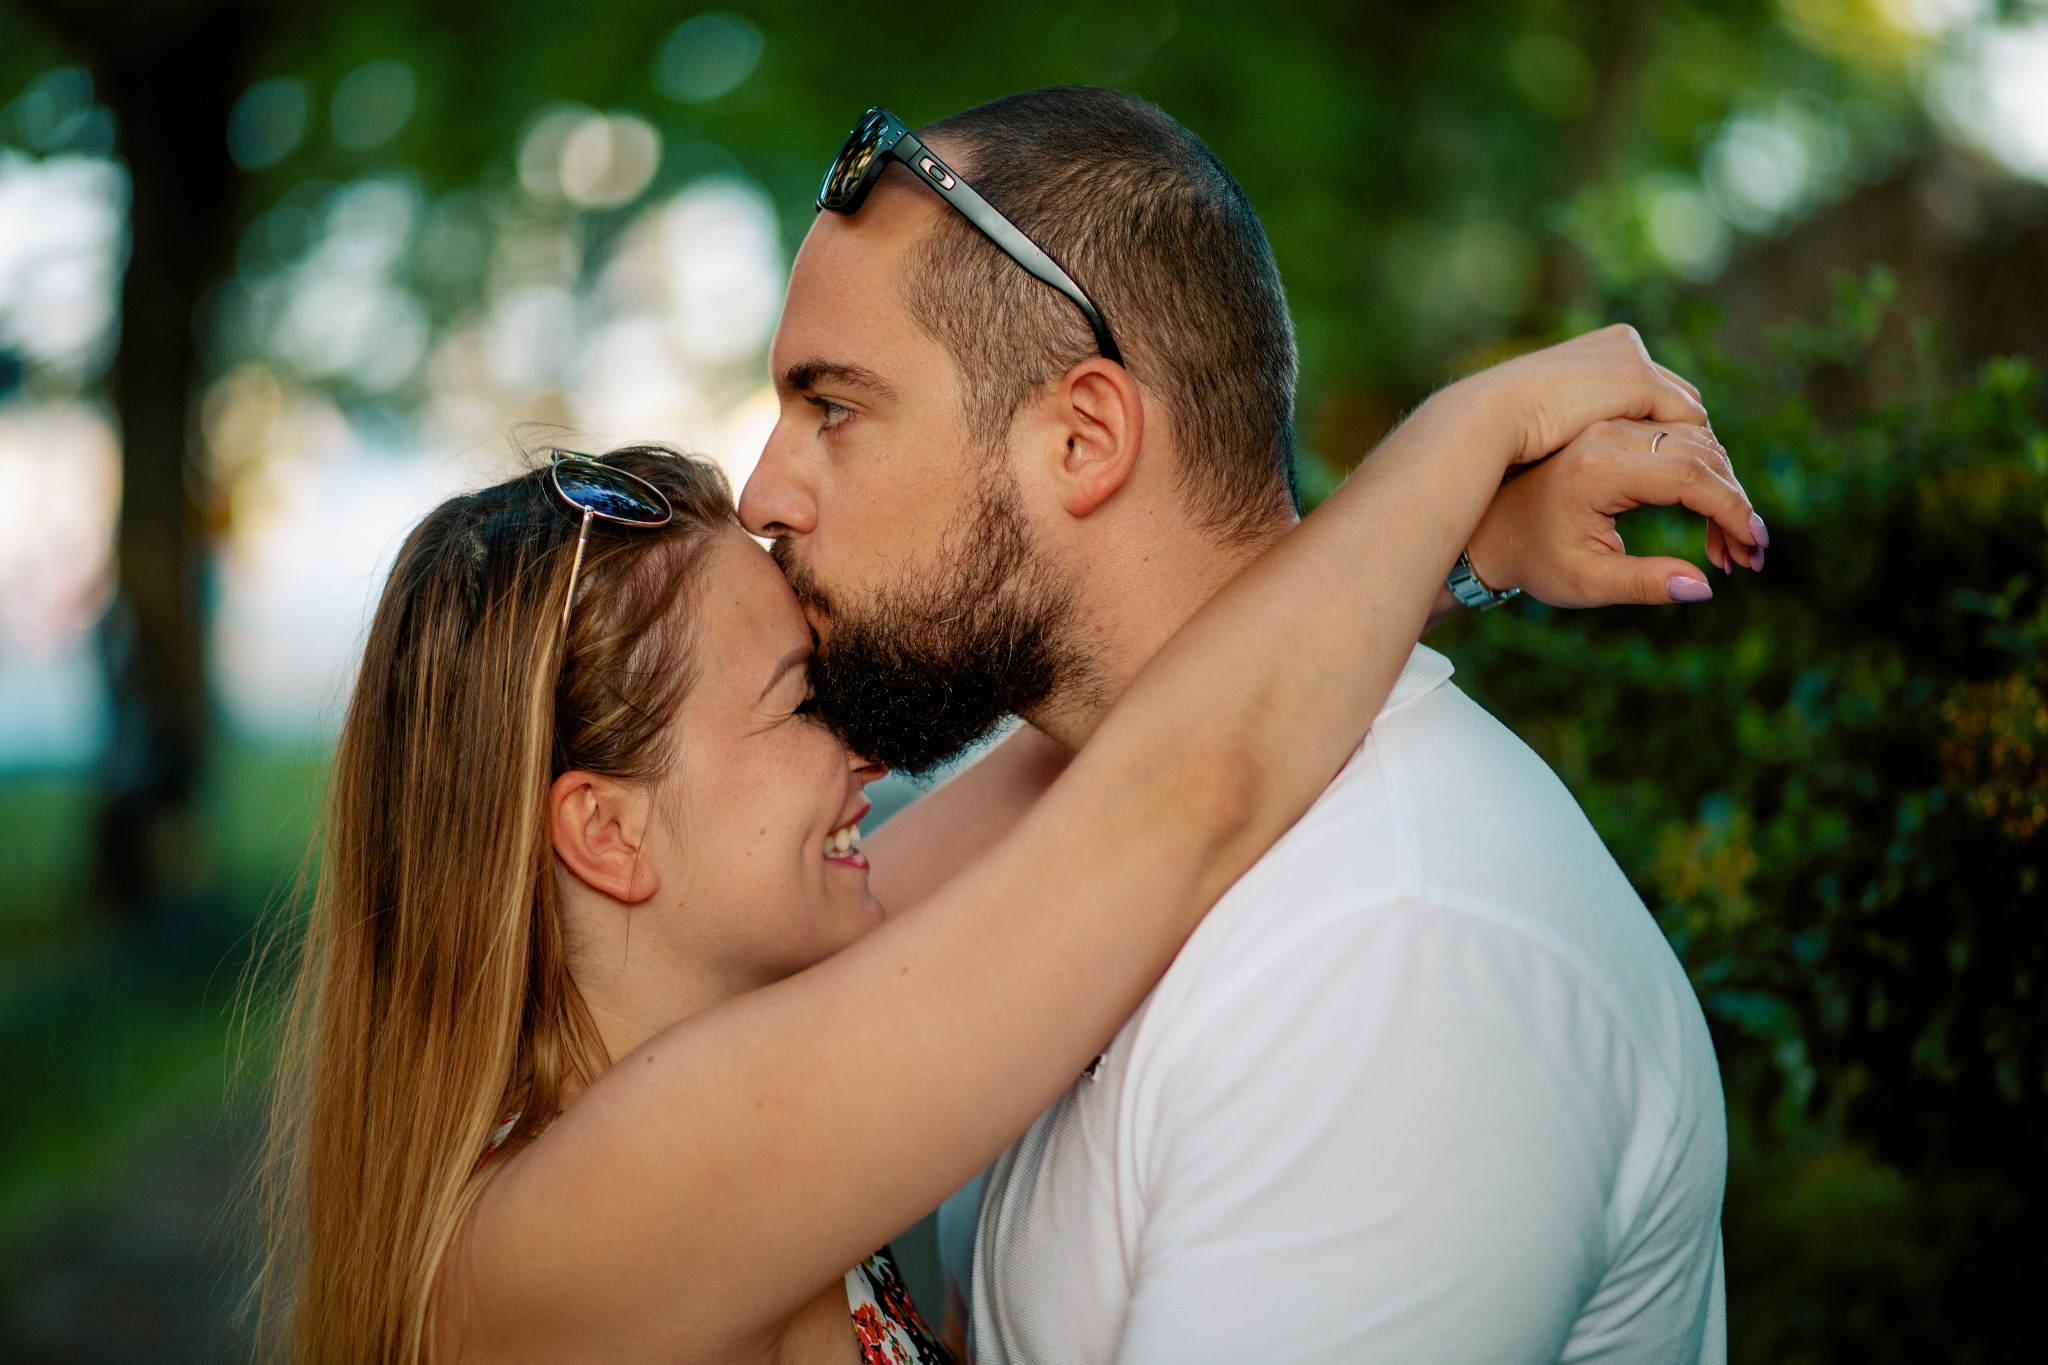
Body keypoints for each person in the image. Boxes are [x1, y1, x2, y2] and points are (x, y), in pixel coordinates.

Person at [251, 350, 1742, 1361]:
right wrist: (1471, 425)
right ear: (607, 832)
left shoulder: (732, 1047)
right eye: (799, 705)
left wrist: (1459, 551)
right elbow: (1179, 797)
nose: (872, 759)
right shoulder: (559, 1233)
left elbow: (1133, 724)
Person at [738, 88, 1752, 1364]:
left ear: (1081, 436)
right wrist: (1450, 514)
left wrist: (1450, 529)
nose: (761, 496)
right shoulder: (1080, 831)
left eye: (833, 407)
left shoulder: (1393, 953)